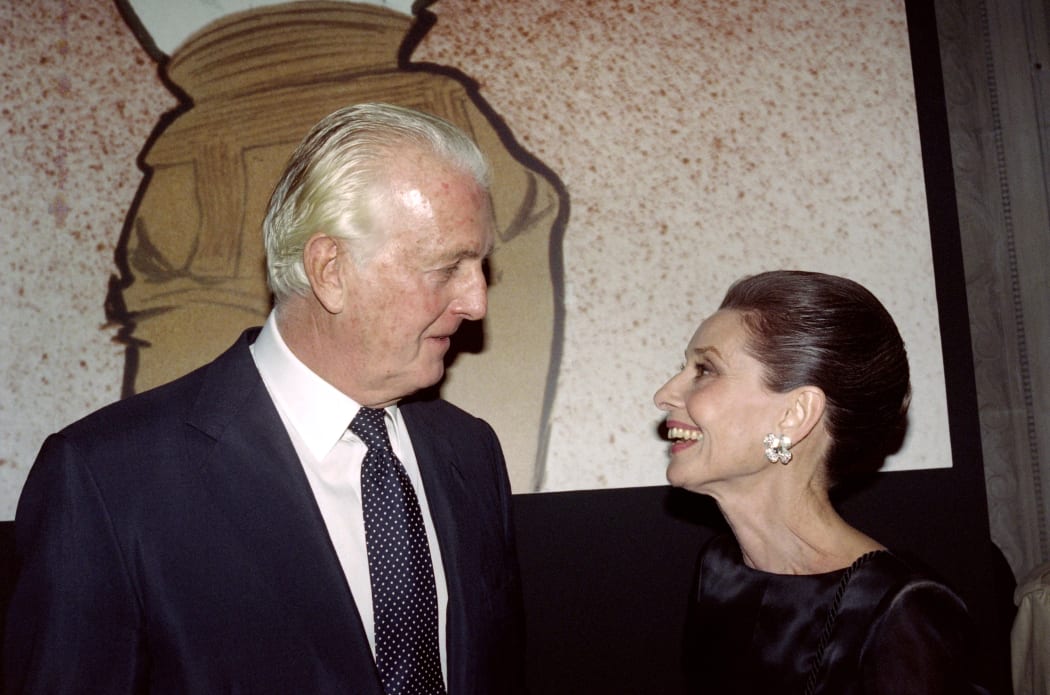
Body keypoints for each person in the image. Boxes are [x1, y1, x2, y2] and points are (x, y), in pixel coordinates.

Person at [5, 103, 525, 694]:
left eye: (480, 265)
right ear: (330, 270)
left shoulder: (470, 451)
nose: (477, 301)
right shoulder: (109, 480)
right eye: (446, 267)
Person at [653, 270, 986, 694]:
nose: (664, 394)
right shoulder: (720, 570)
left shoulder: (902, 611)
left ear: (794, 415)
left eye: (705, 369)